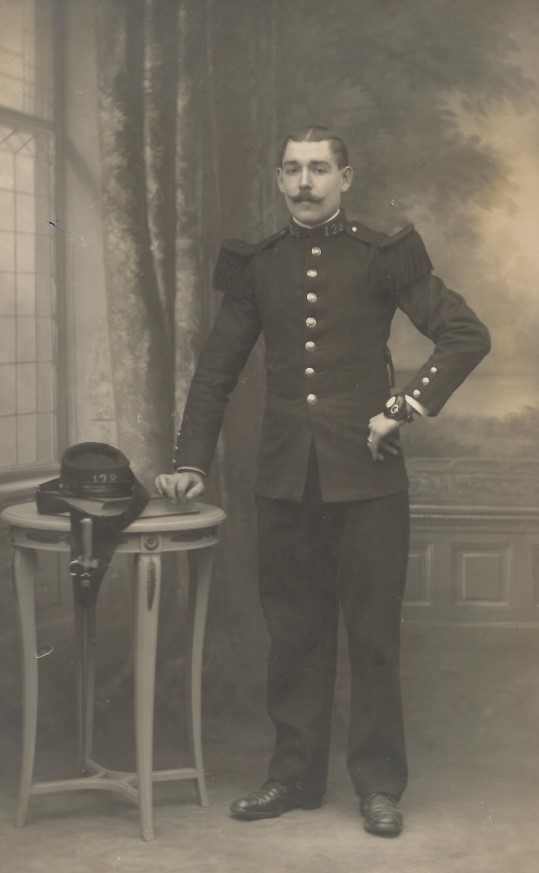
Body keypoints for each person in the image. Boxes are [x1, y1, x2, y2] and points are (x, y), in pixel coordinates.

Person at [155, 126, 490, 837]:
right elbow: (214, 373)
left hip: (369, 481)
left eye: (317, 169)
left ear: (345, 178)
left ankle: (379, 784)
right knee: (293, 635)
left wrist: (403, 407)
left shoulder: (381, 255)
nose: (304, 183)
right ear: (279, 180)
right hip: (285, 480)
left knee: (372, 637)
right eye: (291, 170)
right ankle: (293, 776)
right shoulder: (260, 264)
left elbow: (465, 333)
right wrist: (189, 461)